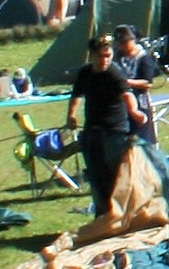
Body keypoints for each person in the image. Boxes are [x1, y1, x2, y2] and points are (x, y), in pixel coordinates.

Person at [65, 35, 147, 211]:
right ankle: (103, 213)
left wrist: (134, 111)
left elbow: (127, 94)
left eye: (108, 55)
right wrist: (71, 116)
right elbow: (77, 95)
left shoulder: (114, 72)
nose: (105, 60)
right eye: (101, 56)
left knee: (117, 174)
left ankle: (123, 211)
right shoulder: (85, 73)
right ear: (92, 55)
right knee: (96, 175)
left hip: (115, 130)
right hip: (93, 130)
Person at [113, 26, 159, 147]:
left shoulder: (144, 58)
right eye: (119, 42)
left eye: (124, 42)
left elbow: (147, 83)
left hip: (139, 100)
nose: (121, 45)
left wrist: (125, 82)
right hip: (119, 101)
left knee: (142, 136)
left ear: (133, 40)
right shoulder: (116, 57)